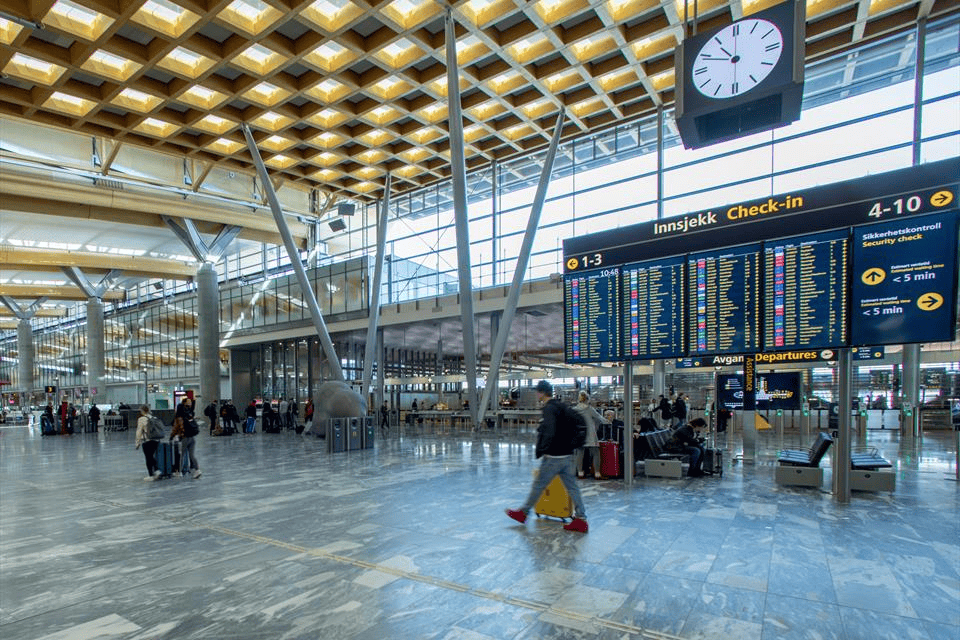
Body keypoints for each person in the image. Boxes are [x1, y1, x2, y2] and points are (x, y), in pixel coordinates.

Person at [505, 380, 589, 533]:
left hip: (554, 457)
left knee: (539, 485)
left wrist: (543, 449)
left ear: (542, 393)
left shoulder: (549, 409)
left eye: (537, 391)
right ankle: (581, 519)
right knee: (573, 487)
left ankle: (523, 513)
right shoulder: (562, 406)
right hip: (568, 455)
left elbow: (549, 430)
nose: (537, 394)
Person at [574, 391, 604, 479]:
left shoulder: (575, 409)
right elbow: (599, 417)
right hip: (590, 433)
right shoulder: (589, 409)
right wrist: (608, 422)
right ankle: (597, 473)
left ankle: (580, 472)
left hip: (580, 434)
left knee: (579, 453)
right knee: (595, 453)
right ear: (587, 399)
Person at [134, 404, 162, 481]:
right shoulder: (154, 417)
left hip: (147, 441)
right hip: (156, 440)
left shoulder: (141, 419)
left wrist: (137, 442)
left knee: (148, 458)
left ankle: (152, 474)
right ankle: (157, 471)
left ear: (142, 411)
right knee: (152, 456)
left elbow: (139, 432)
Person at [177, 398, 201, 479]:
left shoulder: (182, 414)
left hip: (185, 437)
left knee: (182, 455)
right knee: (191, 455)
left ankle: (179, 472)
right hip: (192, 437)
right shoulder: (189, 413)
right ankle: (197, 470)